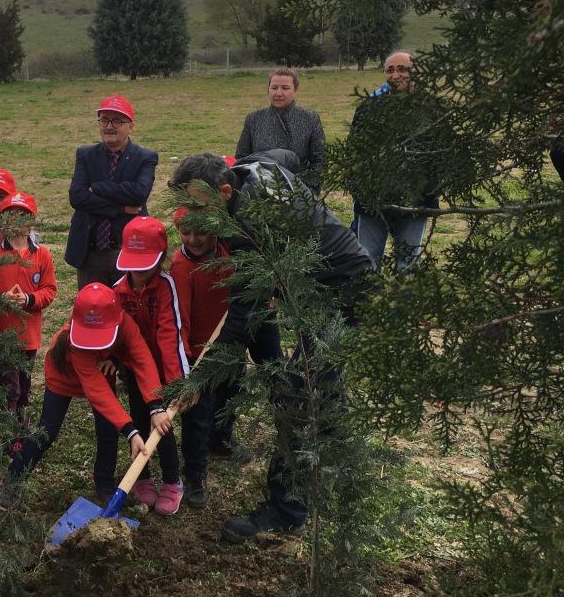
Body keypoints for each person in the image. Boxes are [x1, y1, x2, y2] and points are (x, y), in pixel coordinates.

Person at [169, 149, 374, 543]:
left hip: (345, 292)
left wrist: (202, 374)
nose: (191, 216)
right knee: (321, 386)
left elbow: (244, 311)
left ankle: (286, 510)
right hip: (314, 288)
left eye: (196, 204)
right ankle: (331, 456)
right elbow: (285, 155)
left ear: (226, 192)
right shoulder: (251, 168)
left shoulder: (247, 225)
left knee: (301, 393)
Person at [3, 283, 170, 506]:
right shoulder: (73, 343)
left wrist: (156, 405)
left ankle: (105, 485)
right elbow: (97, 391)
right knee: (46, 431)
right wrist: (131, 431)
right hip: (64, 375)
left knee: (108, 431)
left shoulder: (126, 325)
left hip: (101, 369)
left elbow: (143, 360)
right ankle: (12, 480)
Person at [112, 216, 188, 516]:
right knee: (140, 421)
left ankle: (172, 481)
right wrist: (113, 360)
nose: (139, 272)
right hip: (134, 368)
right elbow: (115, 334)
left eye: (146, 264)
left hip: (163, 368)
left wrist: (176, 382)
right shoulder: (118, 292)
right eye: (134, 263)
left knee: (163, 427)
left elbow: (171, 334)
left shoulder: (166, 287)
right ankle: (142, 476)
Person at [349, 50, 437, 269]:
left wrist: (428, 193)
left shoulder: (431, 108)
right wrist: (360, 190)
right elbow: (353, 154)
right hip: (373, 202)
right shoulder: (368, 108)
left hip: (415, 202)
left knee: (407, 264)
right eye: (390, 70)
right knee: (367, 261)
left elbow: (440, 157)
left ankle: (404, 302)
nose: (395, 75)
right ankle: (367, 302)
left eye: (402, 69)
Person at [169, 206, 232, 509]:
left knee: (230, 394)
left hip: (227, 346)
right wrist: (188, 367)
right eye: (185, 232)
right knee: (197, 414)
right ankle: (195, 473)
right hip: (197, 352)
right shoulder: (182, 268)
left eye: (201, 232)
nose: (193, 239)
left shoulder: (227, 254)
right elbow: (180, 320)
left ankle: (221, 439)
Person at [65, 95, 157, 288]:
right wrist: (120, 209)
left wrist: (97, 187)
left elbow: (140, 193)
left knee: (127, 310)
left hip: (127, 251)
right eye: (105, 119)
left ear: (131, 125)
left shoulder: (145, 157)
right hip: (90, 253)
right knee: (93, 307)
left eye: (117, 120)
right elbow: (78, 197)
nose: (109, 126)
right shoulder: (85, 154)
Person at [0, 192, 57, 417]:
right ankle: (8, 432)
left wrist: (30, 299)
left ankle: (20, 428)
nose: (16, 221)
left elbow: (49, 290)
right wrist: (0, 298)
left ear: (31, 221)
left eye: (22, 216)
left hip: (29, 336)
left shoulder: (42, 255)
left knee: (23, 384)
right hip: (2, 334)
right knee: (10, 387)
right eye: (10, 215)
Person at [235, 68, 327, 193]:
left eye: (285, 88)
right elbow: (241, 158)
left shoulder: (310, 118)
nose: (278, 93)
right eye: (274, 88)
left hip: (298, 191)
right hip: (259, 191)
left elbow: (320, 161)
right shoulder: (254, 118)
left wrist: (308, 191)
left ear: (295, 90)